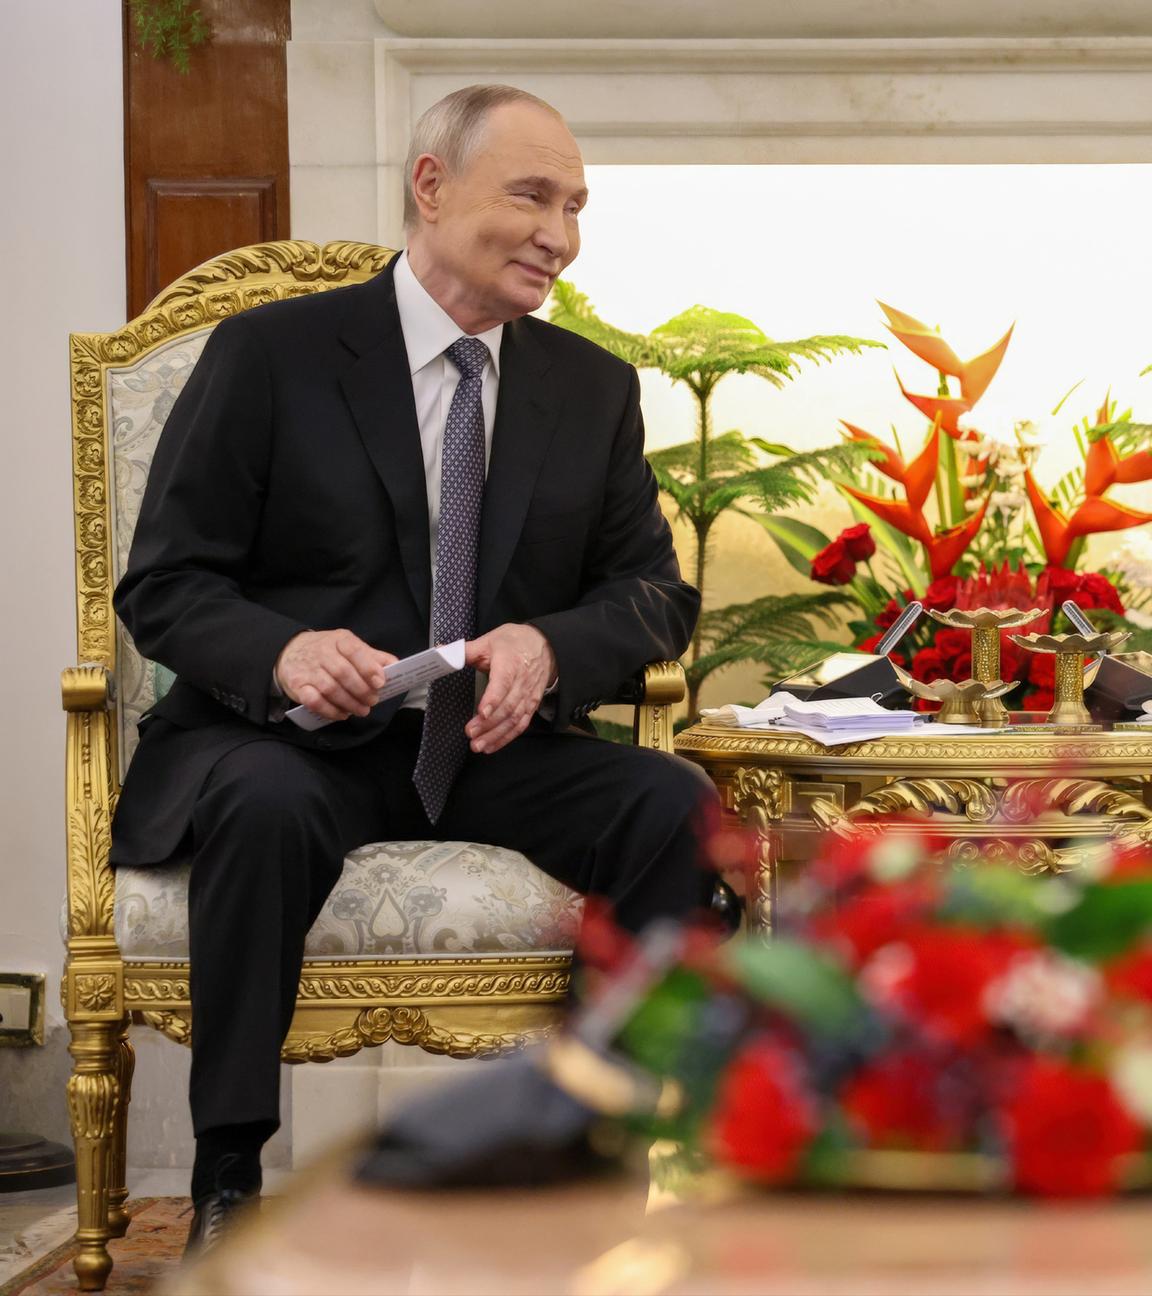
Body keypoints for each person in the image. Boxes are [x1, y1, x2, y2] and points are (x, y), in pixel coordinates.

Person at [110, 83, 734, 1254]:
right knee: (261, 802)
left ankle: (589, 1155)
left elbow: (655, 596)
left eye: (576, 207)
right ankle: (229, 1177)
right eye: (533, 196)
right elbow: (166, 584)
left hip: (489, 746)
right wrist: (284, 651)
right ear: (432, 187)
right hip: (294, 745)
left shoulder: (590, 388)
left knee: (673, 807)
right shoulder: (271, 356)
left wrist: (550, 644)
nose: (560, 235)